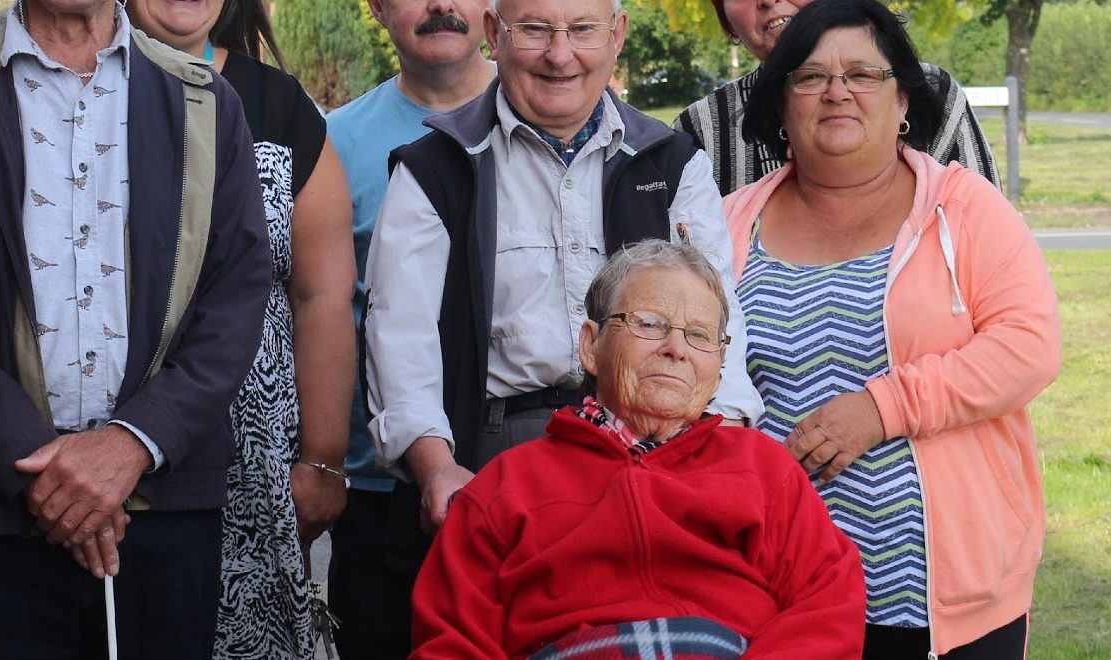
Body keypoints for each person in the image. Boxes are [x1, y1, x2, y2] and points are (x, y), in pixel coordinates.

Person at [0, 0, 271, 656]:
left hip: (159, 520)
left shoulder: (202, 100)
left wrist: (132, 443)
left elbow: (238, 291)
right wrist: (36, 465)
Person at [364, 0, 765, 641]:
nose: (560, 54)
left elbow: (718, 325)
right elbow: (399, 336)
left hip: (653, 459)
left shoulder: (672, 164)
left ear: (618, 36)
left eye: (582, 30)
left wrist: (730, 453)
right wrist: (437, 469)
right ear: (495, 34)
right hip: (493, 461)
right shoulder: (433, 168)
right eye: (534, 30)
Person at [723, 0, 1061, 656]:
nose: (837, 91)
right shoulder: (726, 225)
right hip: (773, 596)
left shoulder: (963, 209)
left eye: (864, 74)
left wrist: (883, 408)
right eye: (811, 76)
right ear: (780, 107)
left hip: (942, 606)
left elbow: (1029, 345)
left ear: (904, 100)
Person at [410, 240, 866, 659]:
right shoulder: (504, 486)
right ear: (592, 346)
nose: (676, 349)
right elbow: (450, 642)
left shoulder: (763, 469)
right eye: (650, 324)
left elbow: (827, 601)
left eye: (700, 335)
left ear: (720, 365)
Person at [125, 0, 357, 656]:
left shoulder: (277, 106)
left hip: (256, 474)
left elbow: (323, 296)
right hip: (112, 467)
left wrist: (322, 462)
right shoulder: (81, 96)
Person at [324, 0, 498, 654]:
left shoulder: (544, 116)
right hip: (381, 494)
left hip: (535, 483)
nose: (441, 7)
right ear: (375, 7)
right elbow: (318, 308)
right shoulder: (335, 143)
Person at [675, 0, 997, 195]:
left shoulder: (929, 93)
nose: (768, 0)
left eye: (862, 77)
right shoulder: (699, 132)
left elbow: (987, 242)